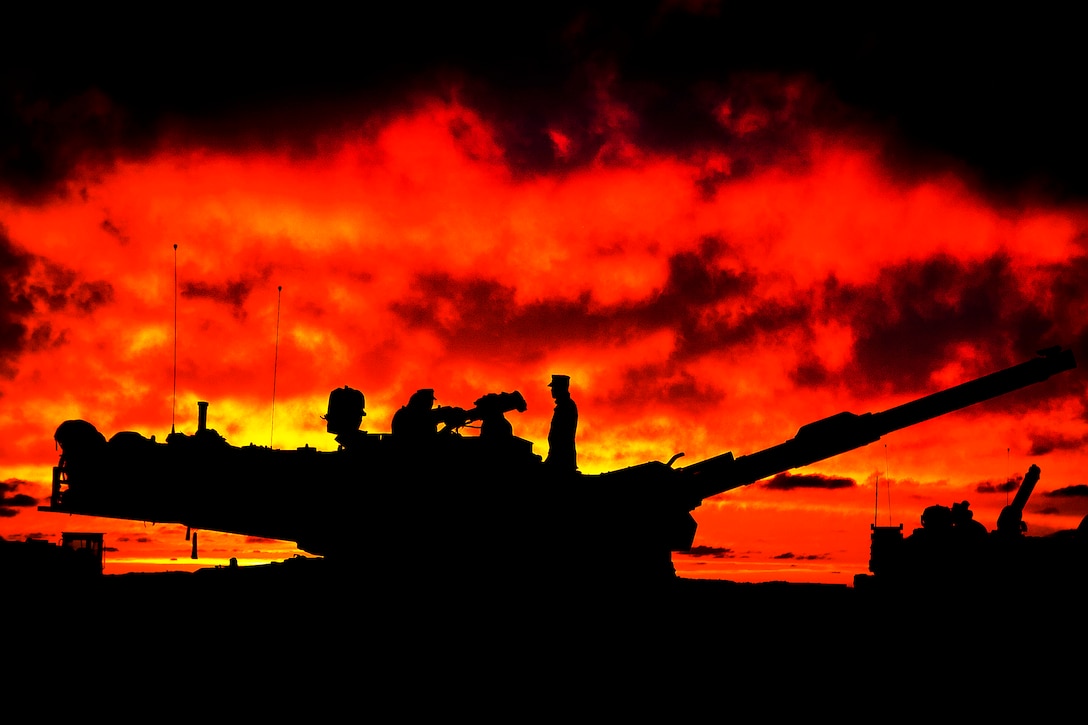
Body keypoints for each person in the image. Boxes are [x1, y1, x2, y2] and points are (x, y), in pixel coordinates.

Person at [544, 374, 578, 472]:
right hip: (557, 455)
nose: (552, 390)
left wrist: (554, 456)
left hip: (561, 457)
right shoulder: (563, 405)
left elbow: (562, 434)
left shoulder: (566, 406)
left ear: (561, 388)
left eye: (554, 387)